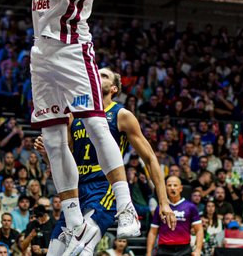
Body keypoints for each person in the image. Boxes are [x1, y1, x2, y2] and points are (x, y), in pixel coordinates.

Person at [0, 0, 141, 256]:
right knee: (52, 137)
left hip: (72, 48)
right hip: (42, 51)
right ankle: (73, 216)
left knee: (95, 125)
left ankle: (125, 205)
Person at [39, 68, 175, 256]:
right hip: (77, 188)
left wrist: (164, 202)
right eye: (96, 73)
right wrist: (47, 154)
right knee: (54, 252)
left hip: (104, 187)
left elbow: (151, 159)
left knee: (79, 247)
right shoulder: (75, 115)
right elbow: (66, 159)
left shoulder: (122, 115)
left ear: (114, 89)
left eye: (104, 76)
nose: (97, 76)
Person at [146, 176, 203, 256]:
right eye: (169, 185)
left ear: (181, 188)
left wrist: (198, 250)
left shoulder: (190, 207)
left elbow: (199, 229)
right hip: (164, 249)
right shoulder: (160, 208)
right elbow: (153, 232)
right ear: (165, 188)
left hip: (184, 249)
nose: (172, 188)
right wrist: (148, 253)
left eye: (175, 185)